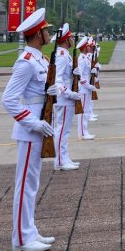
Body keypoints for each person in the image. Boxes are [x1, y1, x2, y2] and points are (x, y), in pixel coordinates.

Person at [1, 8, 57, 251]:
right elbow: (9, 99)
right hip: (30, 127)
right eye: (46, 30)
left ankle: (29, 231)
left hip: (41, 122)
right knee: (25, 184)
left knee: (32, 183)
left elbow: (38, 90)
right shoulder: (25, 62)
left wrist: (52, 91)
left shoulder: (40, 59)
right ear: (37, 35)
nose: (49, 33)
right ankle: (22, 238)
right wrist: (32, 123)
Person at [52, 24, 81, 171]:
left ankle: (64, 157)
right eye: (70, 37)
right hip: (64, 99)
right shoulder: (62, 56)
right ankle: (59, 161)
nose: (71, 39)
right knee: (62, 130)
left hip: (66, 99)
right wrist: (69, 93)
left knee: (65, 130)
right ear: (65, 39)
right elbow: (57, 80)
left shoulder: (64, 53)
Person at [75, 37, 95, 140]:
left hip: (86, 88)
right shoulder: (81, 59)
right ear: (84, 47)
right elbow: (80, 76)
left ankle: (85, 131)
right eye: (87, 45)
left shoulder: (85, 57)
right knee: (83, 112)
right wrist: (88, 85)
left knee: (86, 111)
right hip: (83, 88)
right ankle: (82, 133)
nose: (89, 47)